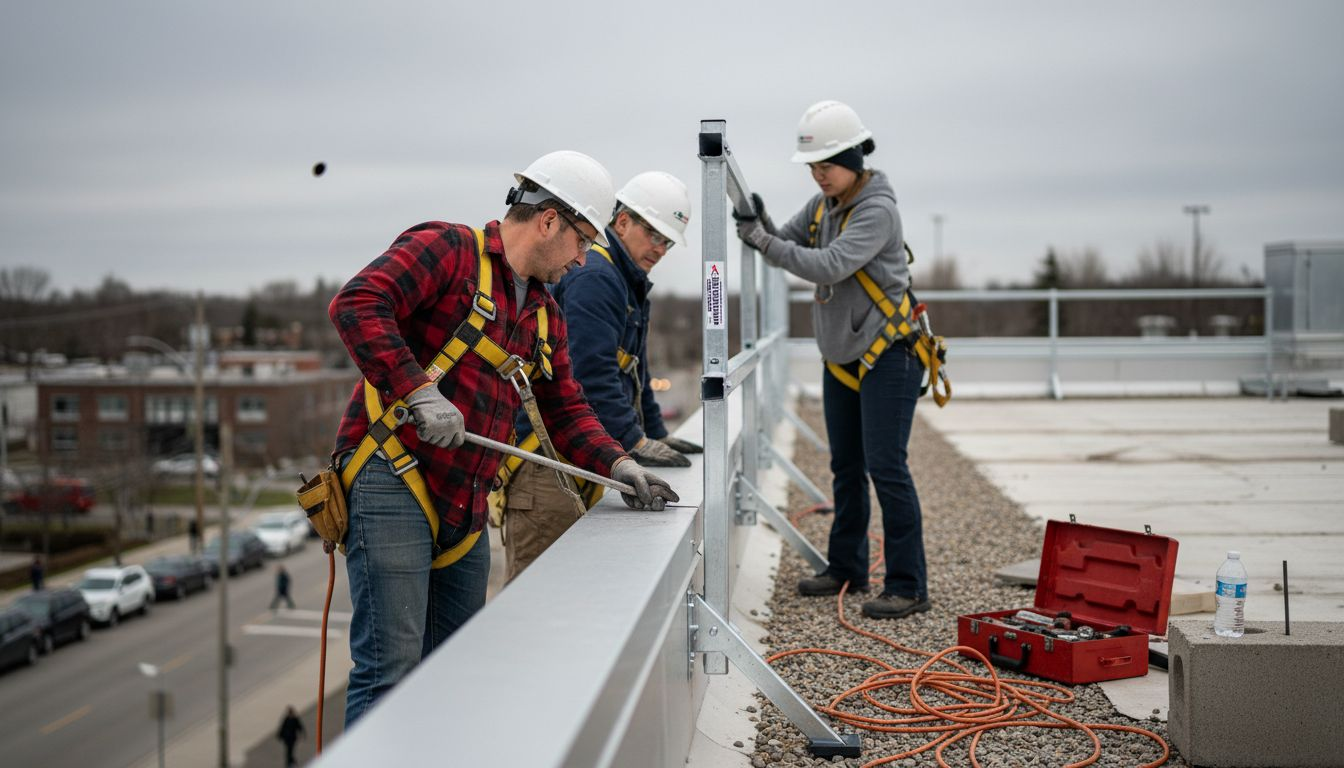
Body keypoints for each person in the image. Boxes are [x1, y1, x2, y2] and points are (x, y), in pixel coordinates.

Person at [329, 150, 679, 726]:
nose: (584, 258)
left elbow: (564, 407)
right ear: (548, 222)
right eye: (583, 241)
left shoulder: (544, 312)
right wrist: (417, 391)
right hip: (394, 478)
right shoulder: (448, 250)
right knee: (390, 671)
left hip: (463, 502)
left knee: (457, 667)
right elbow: (359, 302)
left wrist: (618, 464)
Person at [736, 100, 930, 620]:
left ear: (853, 159)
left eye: (826, 166)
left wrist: (761, 240)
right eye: (813, 168)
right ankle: (847, 567)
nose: (818, 176)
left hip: (890, 354)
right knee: (846, 465)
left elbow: (829, 264)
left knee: (886, 467)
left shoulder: (876, 210)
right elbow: (786, 241)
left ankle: (909, 584)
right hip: (845, 355)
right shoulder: (824, 206)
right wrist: (761, 226)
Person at [501, 171, 701, 580]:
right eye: (654, 235)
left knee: (578, 584)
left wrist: (655, 434)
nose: (660, 249)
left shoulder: (623, 279)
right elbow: (593, 374)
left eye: (667, 241)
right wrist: (633, 441)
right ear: (623, 221)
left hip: (582, 452)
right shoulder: (597, 276)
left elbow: (634, 369)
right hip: (549, 461)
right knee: (541, 591)